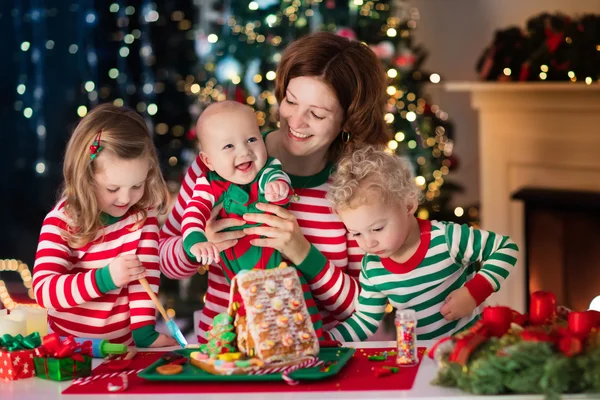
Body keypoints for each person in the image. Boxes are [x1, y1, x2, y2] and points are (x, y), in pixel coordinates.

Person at [159, 31, 391, 342]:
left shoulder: (359, 186)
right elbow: (164, 258)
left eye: (317, 114)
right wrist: (199, 244)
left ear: (349, 120)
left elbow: (363, 308)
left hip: (315, 358)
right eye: (290, 102)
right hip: (225, 353)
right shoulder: (222, 159)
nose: (296, 121)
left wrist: (301, 250)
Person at [323, 146, 519, 341]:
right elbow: (364, 320)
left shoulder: (446, 238)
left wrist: (473, 293)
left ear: (408, 206)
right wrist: (325, 341)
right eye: (356, 233)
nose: (369, 243)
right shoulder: (372, 268)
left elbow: (506, 248)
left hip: (472, 348)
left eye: (377, 229)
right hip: (424, 360)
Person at [33, 103, 177, 347]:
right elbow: (45, 291)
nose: (125, 199)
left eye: (136, 185)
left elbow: (146, 279)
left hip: (122, 347)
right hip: (70, 349)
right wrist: (105, 278)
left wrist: (145, 335)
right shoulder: (62, 221)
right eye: (112, 188)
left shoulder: (142, 218)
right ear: (86, 177)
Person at [181, 101, 324, 337]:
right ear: (208, 161)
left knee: (298, 302)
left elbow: (278, 180)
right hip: (236, 281)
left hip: (275, 270)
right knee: (238, 325)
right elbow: (193, 214)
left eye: (251, 140)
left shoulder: (268, 170)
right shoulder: (207, 185)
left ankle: (314, 339)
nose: (244, 151)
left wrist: (278, 188)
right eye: (228, 146)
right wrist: (196, 240)